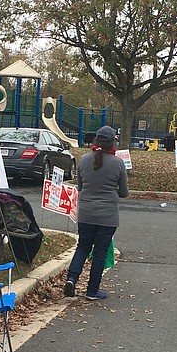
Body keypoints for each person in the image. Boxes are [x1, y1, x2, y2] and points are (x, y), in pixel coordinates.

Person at [64, 125, 129, 301]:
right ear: (112, 144)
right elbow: (124, 192)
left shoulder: (84, 160)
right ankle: (92, 291)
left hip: (86, 213)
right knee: (100, 252)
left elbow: (80, 187)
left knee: (83, 247)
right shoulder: (118, 163)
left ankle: (71, 279)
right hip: (107, 216)